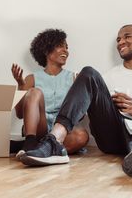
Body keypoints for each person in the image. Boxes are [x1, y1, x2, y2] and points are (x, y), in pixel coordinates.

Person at [19, 24, 132, 177]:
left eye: (127, 36)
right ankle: (54, 141)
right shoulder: (107, 77)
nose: (121, 41)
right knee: (88, 73)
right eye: (118, 39)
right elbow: (87, 111)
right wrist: (109, 107)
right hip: (113, 133)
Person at [11, 28, 89, 159]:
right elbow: (19, 114)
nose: (66, 50)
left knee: (82, 136)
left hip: (61, 132)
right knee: (35, 92)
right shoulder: (32, 78)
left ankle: (33, 148)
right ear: (46, 51)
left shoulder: (74, 78)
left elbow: (79, 116)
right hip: (38, 129)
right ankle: (30, 143)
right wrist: (21, 85)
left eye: (66, 47)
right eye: (60, 46)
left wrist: (81, 92)